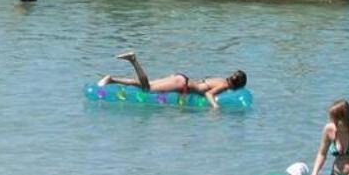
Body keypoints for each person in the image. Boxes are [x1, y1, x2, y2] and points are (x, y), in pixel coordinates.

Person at [98, 51, 247, 100]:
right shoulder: (224, 85)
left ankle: (111, 79)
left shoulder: (221, 79)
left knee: (143, 84)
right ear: (238, 85)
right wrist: (215, 108)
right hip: (181, 84)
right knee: (147, 89)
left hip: (181, 80)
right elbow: (209, 94)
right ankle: (133, 60)